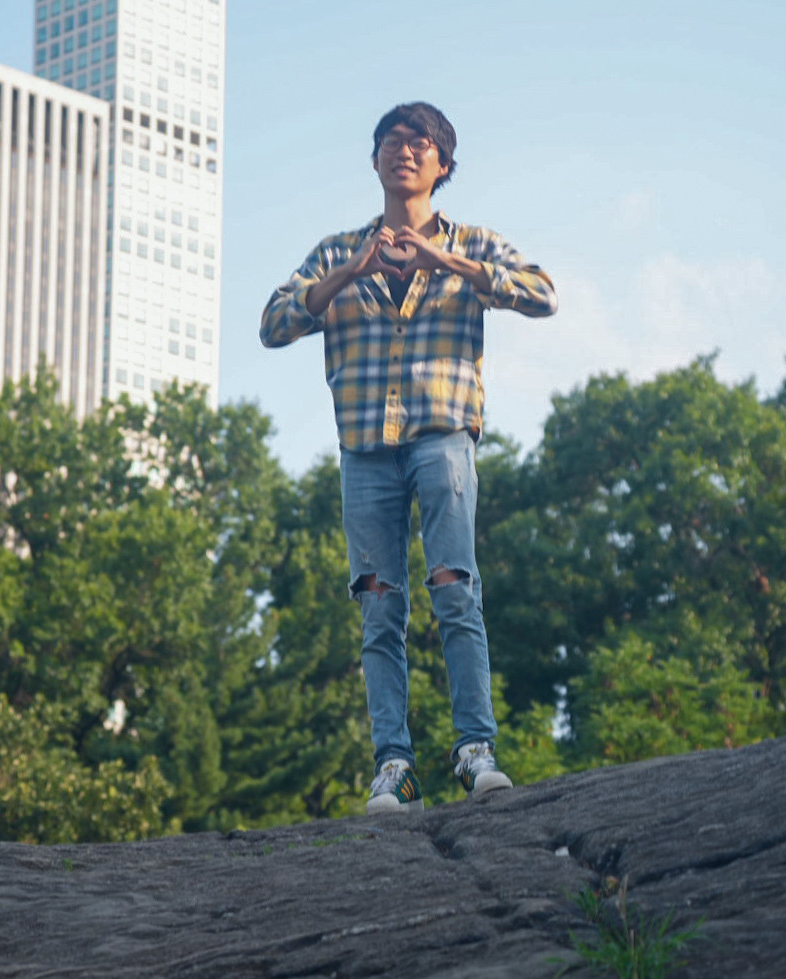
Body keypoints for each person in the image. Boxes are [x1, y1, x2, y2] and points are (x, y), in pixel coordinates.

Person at [260, 102, 557, 814]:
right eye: (392, 141)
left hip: (443, 434)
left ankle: (473, 748)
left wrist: (443, 261)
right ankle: (393, 764)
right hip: (364, 449)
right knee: (378, 606)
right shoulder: (337, 251)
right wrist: (349, 273)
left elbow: (542, 293)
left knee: (455, 587)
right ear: (374, 161)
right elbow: (273, 323)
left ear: (442, 165)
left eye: (421, 143)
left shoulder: (473, 243)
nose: (405, 151)